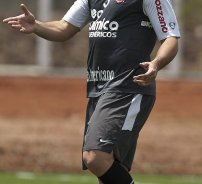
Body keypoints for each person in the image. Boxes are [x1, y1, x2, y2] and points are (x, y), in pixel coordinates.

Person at [3, 0, 180, 183]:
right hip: (99, 88)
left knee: (95, 157)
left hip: (128, 86)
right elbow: (64, 28)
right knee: (109, 169)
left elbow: (170, 38)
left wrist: (156, 64)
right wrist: (36, 25)